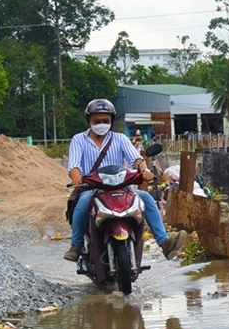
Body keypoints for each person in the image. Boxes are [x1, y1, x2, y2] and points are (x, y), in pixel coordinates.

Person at [64, 99, 185, 262]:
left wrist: (145, 170)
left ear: (111, 121)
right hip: (92, 188)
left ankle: (164, 242)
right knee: (82, 202)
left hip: (120, 188)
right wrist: (76, 177)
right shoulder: (79, 139)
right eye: (97, 121)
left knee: (147, 199)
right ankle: (76, 245)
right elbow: (74, 165)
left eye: (105, 121)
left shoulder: (120, 139)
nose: (101, 124)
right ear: (89, 121)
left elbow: (136, 158)